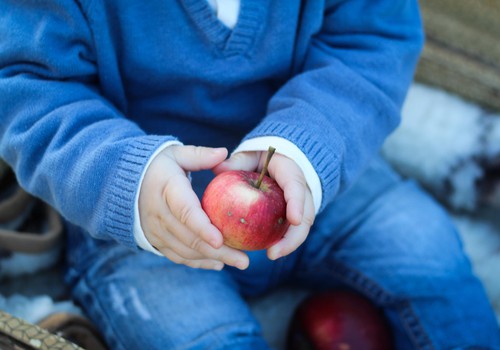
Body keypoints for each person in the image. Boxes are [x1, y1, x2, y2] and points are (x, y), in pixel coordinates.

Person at [0, 0, 499, 349]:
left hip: (324, 166)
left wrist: (309, 145)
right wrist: (124, 178)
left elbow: (372, 40)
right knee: (194, 337)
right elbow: (30, 92)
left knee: (430, 257)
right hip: (149, 222)